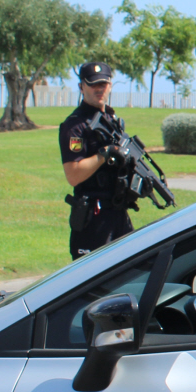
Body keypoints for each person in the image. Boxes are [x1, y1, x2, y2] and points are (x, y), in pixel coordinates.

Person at [59, 61, 132, 259]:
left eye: (104, 84)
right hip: (94, 218)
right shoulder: (75, 126)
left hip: (118, 214)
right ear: (81, 87)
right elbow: (73, 175)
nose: (99, 89)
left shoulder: (111, 120)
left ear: (110, 85)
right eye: (93, 84)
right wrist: (105, 153)